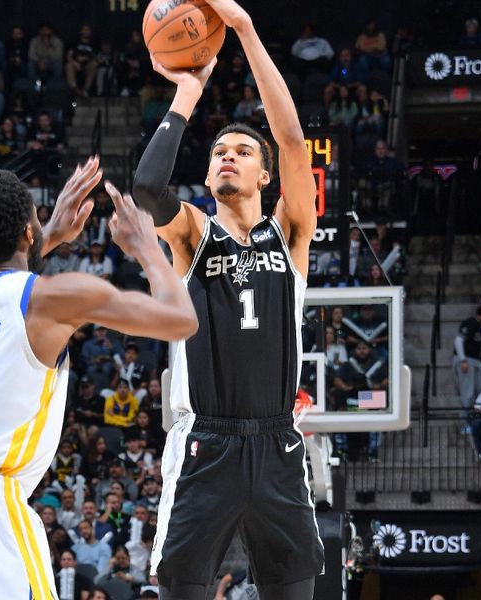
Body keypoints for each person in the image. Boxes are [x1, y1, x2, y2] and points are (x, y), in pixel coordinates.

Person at [0, 159, 197, 599]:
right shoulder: (53, 298)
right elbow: (180, 320)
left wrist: (49, 233)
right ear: (25, 231)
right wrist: (147, 247)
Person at [132, 1, 323, 597]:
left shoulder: (289, 233)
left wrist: (243, 27)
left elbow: (291, 139)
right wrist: (187, 92)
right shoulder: (192, 232)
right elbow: (144, 188)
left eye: (241, 152)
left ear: (265, 176)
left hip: (277, 441)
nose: (227, 156)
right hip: (204, 443)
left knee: (294, 586)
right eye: (218, 152)